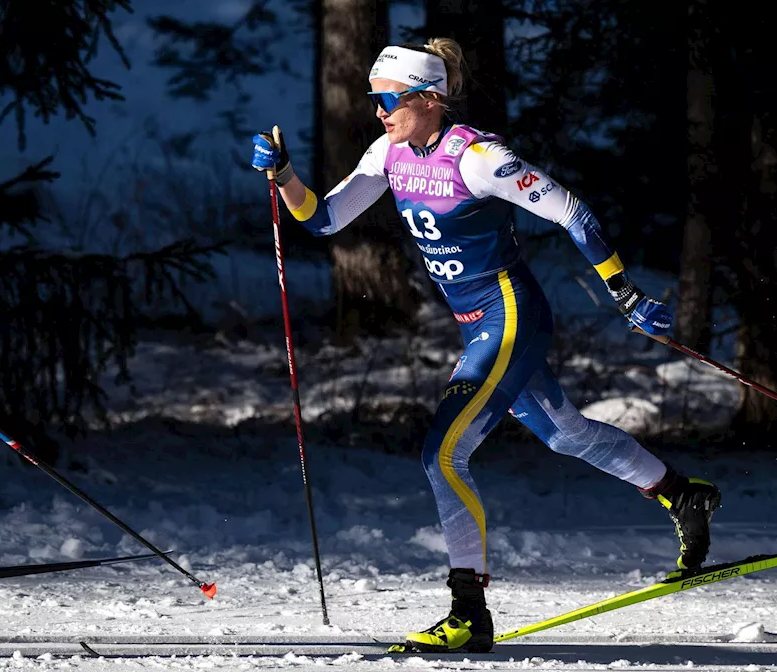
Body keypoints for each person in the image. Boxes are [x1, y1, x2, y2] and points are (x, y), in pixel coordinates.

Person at [249, 38, 722, 654]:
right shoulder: (388, 152)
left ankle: (468, 613)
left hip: (511, 316)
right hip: (477, 324)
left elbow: (571, 211)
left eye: (389, 99)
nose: (378, 111)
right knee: (566, 434)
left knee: (442, 454)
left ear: (428, 98)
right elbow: (324, 219)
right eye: (374, 100)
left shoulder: (476, 157)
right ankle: (683, 495)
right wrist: (284, 175)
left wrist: (624, 292)